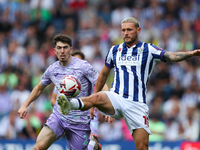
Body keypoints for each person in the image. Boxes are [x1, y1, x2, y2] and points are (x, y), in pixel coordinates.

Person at [57, 17, 200, 150]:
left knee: (143, 147)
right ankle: (69, 104)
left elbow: (171, 56)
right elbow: (102, 76)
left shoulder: (148, 49)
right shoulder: (114, 50)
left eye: (129, 30)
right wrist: (93, 103)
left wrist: (191, 54)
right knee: (98, 96)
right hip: (116, 97)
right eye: (123, 30)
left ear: (138, 30)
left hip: (137, 105)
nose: (126, 33)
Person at [18, 33, 108, 150]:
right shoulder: (52, 69)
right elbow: (39, 88)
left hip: (80, 122)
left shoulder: (83, 66)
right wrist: (25, 105)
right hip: (58, 118)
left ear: (70, 49)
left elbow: (101, 82)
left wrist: (107, 106)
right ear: (54, 51)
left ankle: (93, 145)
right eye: (59, 48)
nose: (62, 51)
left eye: (65, 47)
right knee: (37, 148)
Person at [50, 50, 102, 149]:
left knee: (90, 143)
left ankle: (93, 142)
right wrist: (62, 108)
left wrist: (108, 112)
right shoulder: (63, 82)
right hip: (69, 119)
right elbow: (53, 100)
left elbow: (100, 95)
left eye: (80, 61)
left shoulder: (90, 78)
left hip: (88, 118)